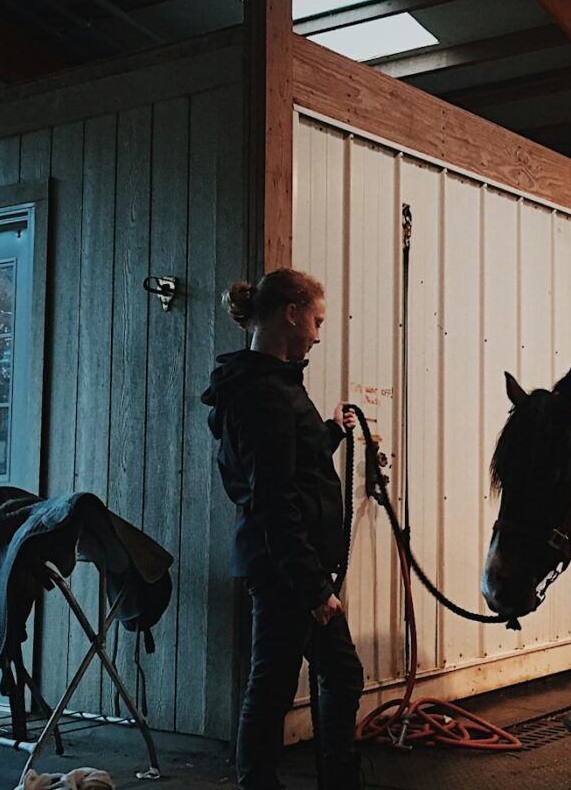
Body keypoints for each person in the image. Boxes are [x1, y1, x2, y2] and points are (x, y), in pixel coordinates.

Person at [201, 268, 365, 790]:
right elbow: (274, 499)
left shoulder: (268, 386)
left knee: (322, 676)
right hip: (286, 569)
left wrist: (331, 433)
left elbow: (289, 465)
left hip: (287, 564)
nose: (318, 333)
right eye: (316, 321)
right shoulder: (263, 394)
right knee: (277, 685)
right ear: (291, 314)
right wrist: (314, 587)